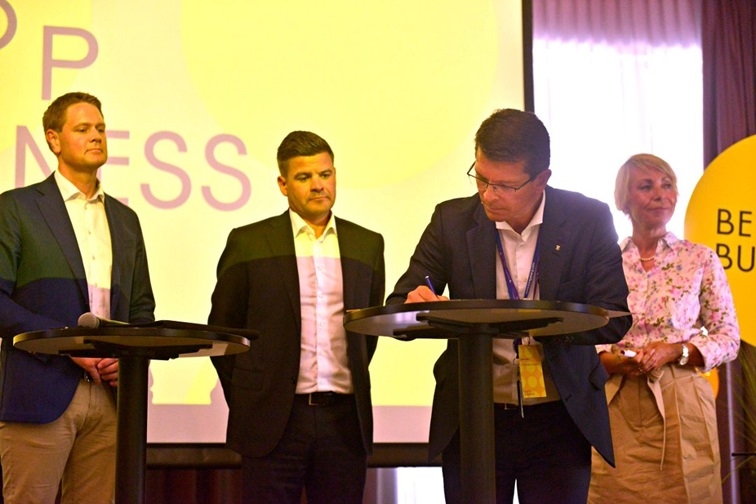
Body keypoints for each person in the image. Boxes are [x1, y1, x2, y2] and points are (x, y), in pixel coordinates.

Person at [386, 108, 632, 504]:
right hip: (474, 416)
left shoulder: (587, 219)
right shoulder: (452, 220)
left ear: (541, 179)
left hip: (559, 417)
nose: (488, 195)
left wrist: (538, 323)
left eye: (504, 185)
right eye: (481, 178)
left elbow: (614, 316)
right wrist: (423, 306)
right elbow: (400, 303)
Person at [209, 130, 385, 504]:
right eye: (304, 177)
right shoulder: (249, 242)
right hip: (272, 421)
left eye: (325, 174)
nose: (318, 185)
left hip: (344, 422)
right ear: (283, 184)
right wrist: (252, 395)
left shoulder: (367, 244)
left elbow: (366, 334)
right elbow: (223, 333)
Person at [0, 92, 156, 503]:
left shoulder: (126, 220)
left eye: (100, 128)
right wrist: (65, 343)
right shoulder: (17, 208)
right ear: (53, 139)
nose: (96, 136)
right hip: (40, 390)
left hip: (111, 396)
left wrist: (128, 357)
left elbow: (141, 309)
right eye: (83, 128)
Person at [588, 154, 740, 504]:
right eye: (646, 186)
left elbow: (728, 337)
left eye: (667, 185)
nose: (660, 194)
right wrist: (611, 360)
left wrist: (675, 351)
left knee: (689, 493)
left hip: (681, 401)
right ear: (623, 199)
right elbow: (585, 336)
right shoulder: (604, 263)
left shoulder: (700, 258)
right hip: (616, 401)